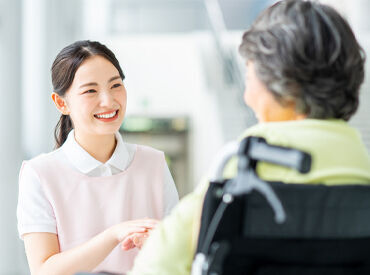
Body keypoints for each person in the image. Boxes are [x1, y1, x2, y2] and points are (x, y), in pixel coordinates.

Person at [127, 0, 370, 274]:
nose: (246, 95)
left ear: (281, 83)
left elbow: (156, 267)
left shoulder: (241, 169)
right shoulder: (362, 170)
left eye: (250, 76)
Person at [17, 40, 179, 275]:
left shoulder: (153, 163)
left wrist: (160, 246)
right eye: (91, 90)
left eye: (115, 85)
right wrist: (114, 235)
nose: (109, 101)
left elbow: (180, 253)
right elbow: (44, 269)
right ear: (62, 102)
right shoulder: (40, 174)